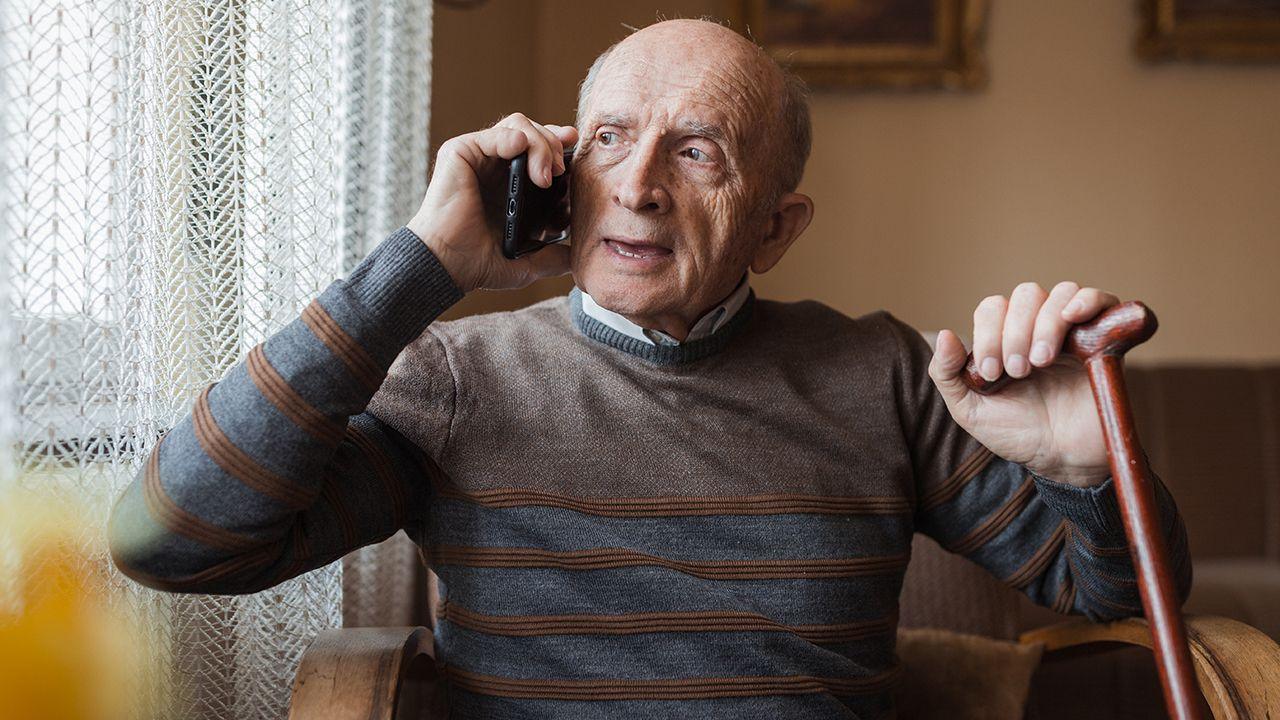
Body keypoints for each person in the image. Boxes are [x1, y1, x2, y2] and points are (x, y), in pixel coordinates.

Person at [108, 18, 1189, 719]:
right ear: (563, 176)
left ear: (774, 226)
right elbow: (168, 542)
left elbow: (1114, 593)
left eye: (697, 150)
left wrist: (1088, 468)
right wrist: (420, 267)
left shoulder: (881, 371)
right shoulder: (456, 377)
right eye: (608, 140)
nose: (637, 185)